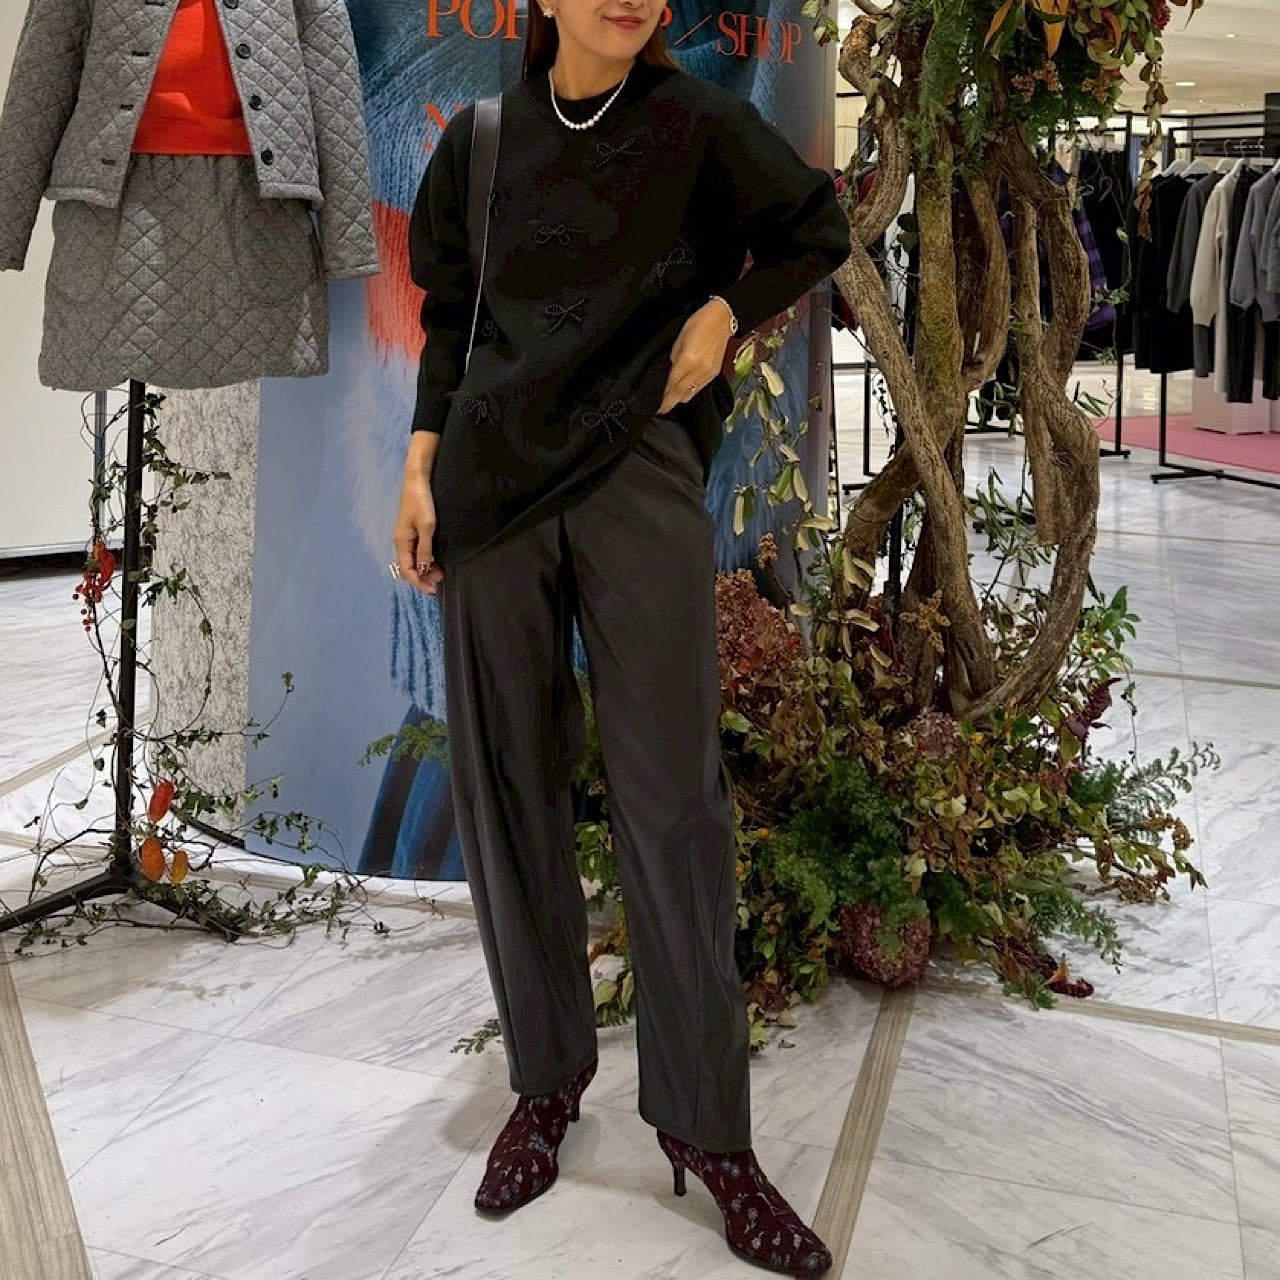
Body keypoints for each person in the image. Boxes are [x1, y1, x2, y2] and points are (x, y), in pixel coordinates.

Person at [392, 0, 850, 1272]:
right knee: (506, 788)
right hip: (490, 489)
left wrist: (723, 310)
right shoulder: (482, 139)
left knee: (674, 800)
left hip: (636, 475)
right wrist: (419, 470)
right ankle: (545, 1083)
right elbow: (450, 322)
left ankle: (710, 1129)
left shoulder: (697, 125)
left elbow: (814, 228)